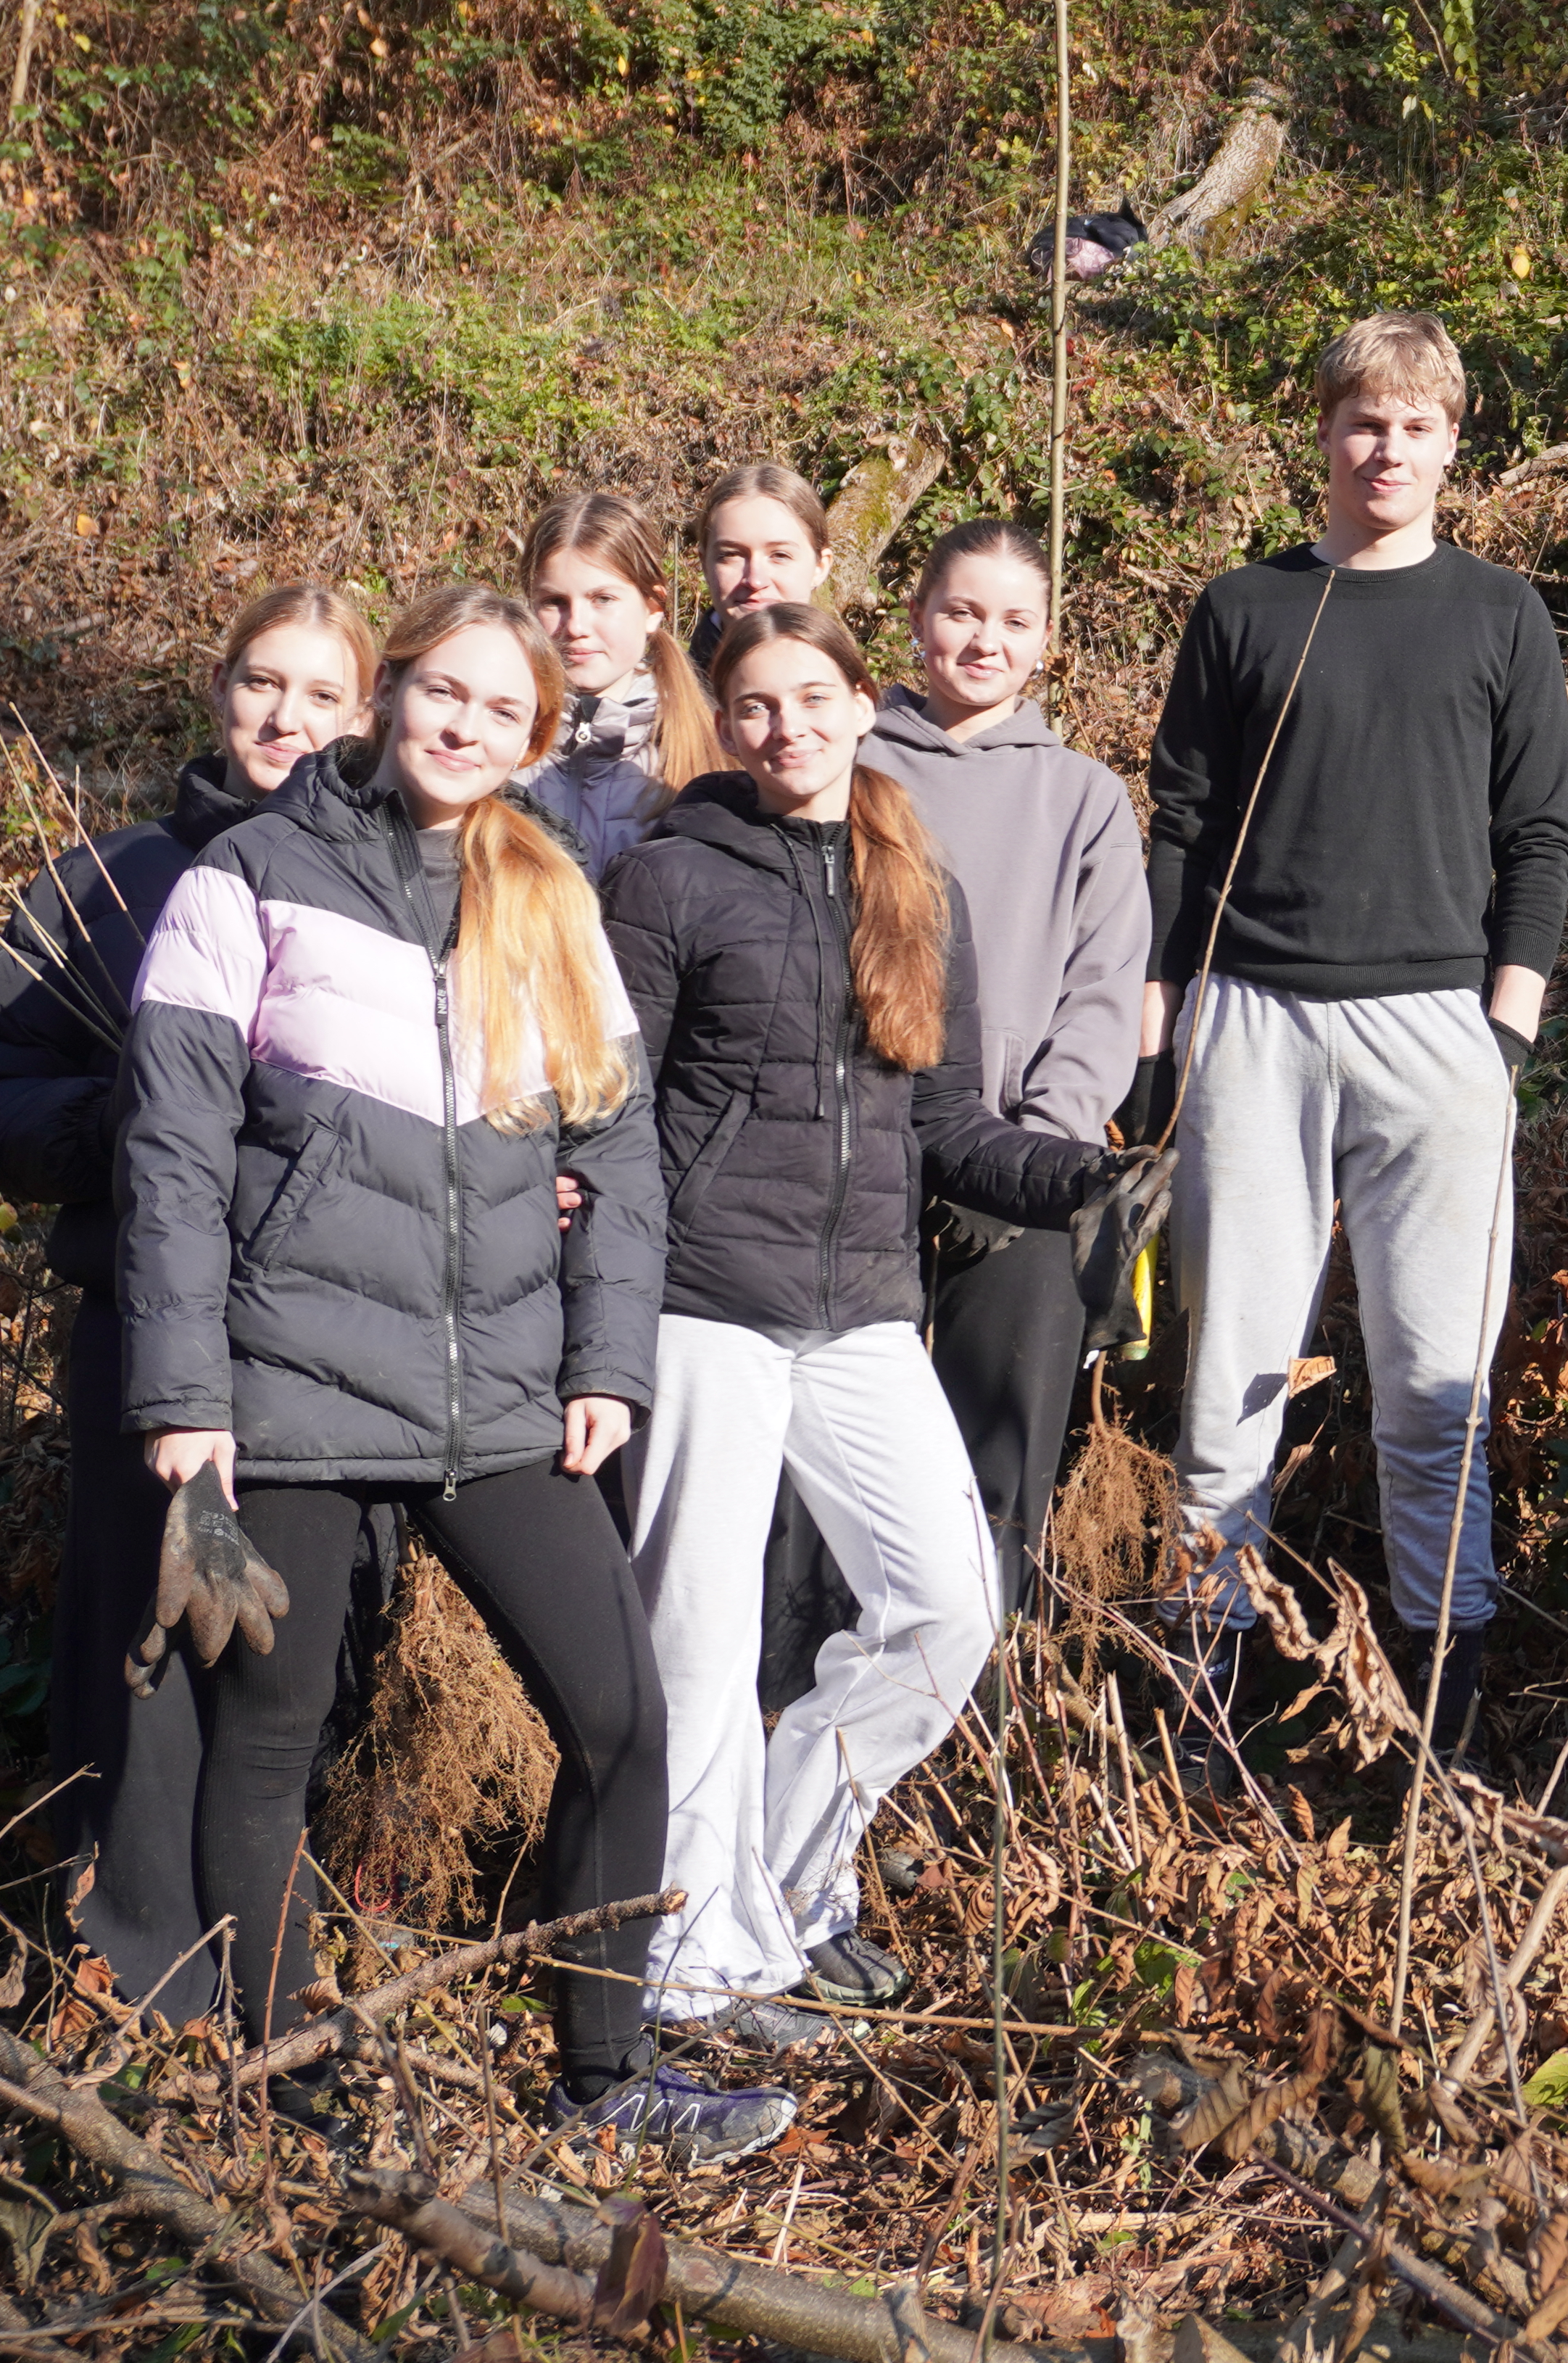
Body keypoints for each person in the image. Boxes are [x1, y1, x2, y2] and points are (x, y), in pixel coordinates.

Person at [114, 584, 789, 2164]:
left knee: (623, 1715)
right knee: (267, 1748)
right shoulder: (247, 880)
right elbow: (171, 1157)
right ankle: (294, 2101)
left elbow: (618, 1147)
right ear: (388, 694)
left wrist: (604, 1354)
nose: (463, 724)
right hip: (285, 1391)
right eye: (441, 692)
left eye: (502, 709)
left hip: (500, 1398)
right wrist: (184, 1400)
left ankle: (605, 2073)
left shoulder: (546, 893)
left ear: (535, 736)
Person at [605, 602, 1146, 2045]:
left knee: (949, 1603)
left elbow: (950, 1121)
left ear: (861, 700)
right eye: (752, 706)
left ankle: (781, 1885)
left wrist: (1083, 1170)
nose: (783, 727)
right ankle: (697, 1966)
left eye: (808, 697)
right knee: (702, 1643)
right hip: (706, 1301)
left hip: (860, 1311)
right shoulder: (666, 878)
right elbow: (617, 1109)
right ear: (724, 724)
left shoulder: (912, 878)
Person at [1142, 313, 1568, 1787]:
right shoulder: (1246, 608)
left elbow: (1542, 831)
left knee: (1433, 1387)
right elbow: (1183, 821)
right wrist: (1168, 1001)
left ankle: (1437, 1731)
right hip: (1254, 1020)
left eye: (1413, 423)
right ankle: (1203, 1705)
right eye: (1360, 421)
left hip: (1438, 1029)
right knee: (1227, 1390)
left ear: (1454, 439)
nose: (1384, 447)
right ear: (1323, 433)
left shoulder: (1501, 613)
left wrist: (1504, 1025)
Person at [0, 584, 387, 2029]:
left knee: (297, 1656)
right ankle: (138, 1975)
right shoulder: (107, 887)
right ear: (218, 688)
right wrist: (133, 1119)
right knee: (140, 1643)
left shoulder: (401, 888)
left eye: (322, 695)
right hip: (150, 1326)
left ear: (366, 716)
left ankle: (289, 1950)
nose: (287, 718)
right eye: (264, 681)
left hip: (345, 1344)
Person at [858, 521, 1157, 1613]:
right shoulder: (851, 766)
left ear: (1045, 644)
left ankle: (988, 1724)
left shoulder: (1083, 796)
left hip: (1027, 1178)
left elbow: (1104, 988)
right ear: (918, 618)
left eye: (1014, 622)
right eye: (963, 613)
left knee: (998, 1475)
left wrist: (1033, 1150)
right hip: (855, 1174)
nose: (985, 641)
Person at [524, 491, 727, 880]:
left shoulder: (704, 756)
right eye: (554, 602)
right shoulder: (496, 745)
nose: (576, 627)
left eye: (602, 599)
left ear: (653, 608)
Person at [693, 464, 830, 658]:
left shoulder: (851, 686)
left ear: (820, 567)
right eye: (731, 555)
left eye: (780, 556)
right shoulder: (666, 688)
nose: (755, 581)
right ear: (705, 564)